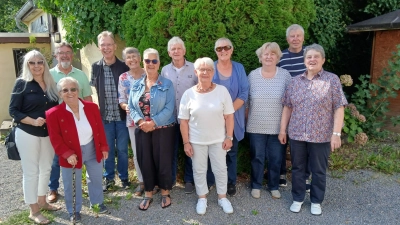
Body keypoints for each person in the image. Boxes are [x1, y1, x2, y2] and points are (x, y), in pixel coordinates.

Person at [279, 44, 347, 215]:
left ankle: (316, 201)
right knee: (298, 168)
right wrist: (282, 130)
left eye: (316, 56)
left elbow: (339, 107)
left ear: (323, 60)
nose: (312, 60)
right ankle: (298, 198)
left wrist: (336, 134)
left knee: (318, 170)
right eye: (309, 57)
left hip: (321, 135)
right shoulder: (295, 82)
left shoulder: (331, 80)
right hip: (297, 134)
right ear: (304, 60)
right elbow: (287, 107)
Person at [46, 77, 109, 222]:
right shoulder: (53, 113)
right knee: (71, 183)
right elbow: (55, 138)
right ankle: (74, 210)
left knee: (96, 178)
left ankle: (97, 203)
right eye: (65, 90)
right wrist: (67, 154)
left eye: (73, 89)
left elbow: (99, 128)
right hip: (71, 152)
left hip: (92, 147)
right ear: (60, 94)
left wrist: (104, 146)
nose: (70, 93)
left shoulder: (91, 107)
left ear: (78, 90)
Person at [9, 50, 60, 225]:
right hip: (27, 133)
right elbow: (13, 111)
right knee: (31, 172)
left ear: (44, 64)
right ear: (27, 65)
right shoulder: (22, 84)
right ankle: (33, 210)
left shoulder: (50, 83)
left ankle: (43, 201)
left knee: (46, 168)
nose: (37, 66)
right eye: (32, 63)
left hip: (48, 134)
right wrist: (32, 121)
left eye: (40, 62)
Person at [179, 57, 235, 215]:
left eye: (208, 69)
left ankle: (222, 197)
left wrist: (229, 137)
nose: (205, 72)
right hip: (196, 141)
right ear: (196, 72)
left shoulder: (222, 91)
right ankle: (202, 198)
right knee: (199, 170)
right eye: (201, 69)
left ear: (213, 72)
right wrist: (186, 143)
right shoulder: (188, 94)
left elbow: (229, 116)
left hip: (219, 140)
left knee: (221, 169)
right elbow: (183, 121)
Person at [161, 36, 214, 193]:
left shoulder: (193, 68)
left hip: (190, 119)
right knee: (170, 150)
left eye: (179, 48)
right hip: (170, 118)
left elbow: (201, 91)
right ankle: (170, 180)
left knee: (191, 150)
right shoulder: (164, 70)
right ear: (169, 52)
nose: (176, 51)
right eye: (173, 49)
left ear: (184, 50)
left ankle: (189, 180)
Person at [128, 48, 176, 211]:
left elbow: (170, 108)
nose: (150, 64)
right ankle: (148, 193)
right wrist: (141, 121)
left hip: (163, 129)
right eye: (147, 61)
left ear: (159, 63)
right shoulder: (136, 85)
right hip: (142, 129)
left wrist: (153, 122)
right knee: (145, 160)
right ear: (143, 63)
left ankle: (165, 192)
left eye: (154, 61)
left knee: (163, 162)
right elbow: (131, 107)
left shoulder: (167, 84)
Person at [48, 42, 93, 203]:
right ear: (56, 56)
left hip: (79, 121)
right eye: (61, 53)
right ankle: (53, 188)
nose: (65, 55)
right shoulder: (49, 75)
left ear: (72, 55)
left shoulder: (80, 75)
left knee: (80, 153)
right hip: (58, 122)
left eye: (68, 52)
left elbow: (87, 97)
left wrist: (92, 121)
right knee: (56, 157)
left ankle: (80, 186)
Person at [246, 42, 292, 199]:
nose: (269, 56)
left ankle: (273, 186)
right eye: (265, 54)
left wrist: (284, 128)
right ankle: (256, 185)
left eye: (273, 54)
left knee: (276, 158)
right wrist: (247, 121)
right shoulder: (252, 75)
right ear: (260, 57)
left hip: (278, 127)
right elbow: (246, 101)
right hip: (255, 125)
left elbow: (290, 103)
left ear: (278, 57)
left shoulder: (285, 76)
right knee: (257, 157)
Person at [90, 31, 130, 191]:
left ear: (114, 46)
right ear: (99, 48)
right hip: (105, 117)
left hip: (121, 117)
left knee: (122, 149)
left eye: (109, 44)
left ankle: (124, 177)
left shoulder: (123, 66)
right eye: (103, 45)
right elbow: (93, 90)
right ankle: (109, 178)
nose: (106, 48)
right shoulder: (95, 67)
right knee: (107, 149)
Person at [212, 37, 249, 196]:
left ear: (231, 49)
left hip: (234, 118)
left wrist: (228, 111)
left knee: (232, 153)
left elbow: (244, 93)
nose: (223, 51)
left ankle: (231, 182)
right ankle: (214, 181)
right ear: (215, 52)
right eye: (219, 49)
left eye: (226, 47)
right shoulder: (210, 68)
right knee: (214, 152)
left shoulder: (239, 68)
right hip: (213, 119)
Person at [276, 24, 309, 189]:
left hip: (306, 108)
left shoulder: (309, 55)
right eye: (292, 36)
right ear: (287, 38)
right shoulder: (280, 57)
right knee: (282, 139)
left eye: (298, 36)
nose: (295, 39)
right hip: (285, 106)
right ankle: (281, 173)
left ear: (303, 37)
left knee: (305, 143)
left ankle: (305, 177)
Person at [117, 47, 145, 196]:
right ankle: (142, 182)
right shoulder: (123, 78)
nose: (132, 59)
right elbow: (121, 99)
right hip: (132, 121)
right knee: (137, 152)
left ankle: (153, 181)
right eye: (128, 57)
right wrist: (125, 105)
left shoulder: (148, 74)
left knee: (152, 151)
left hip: (149, 121)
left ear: (139, 58)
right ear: (125, 61)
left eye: (134, 56)